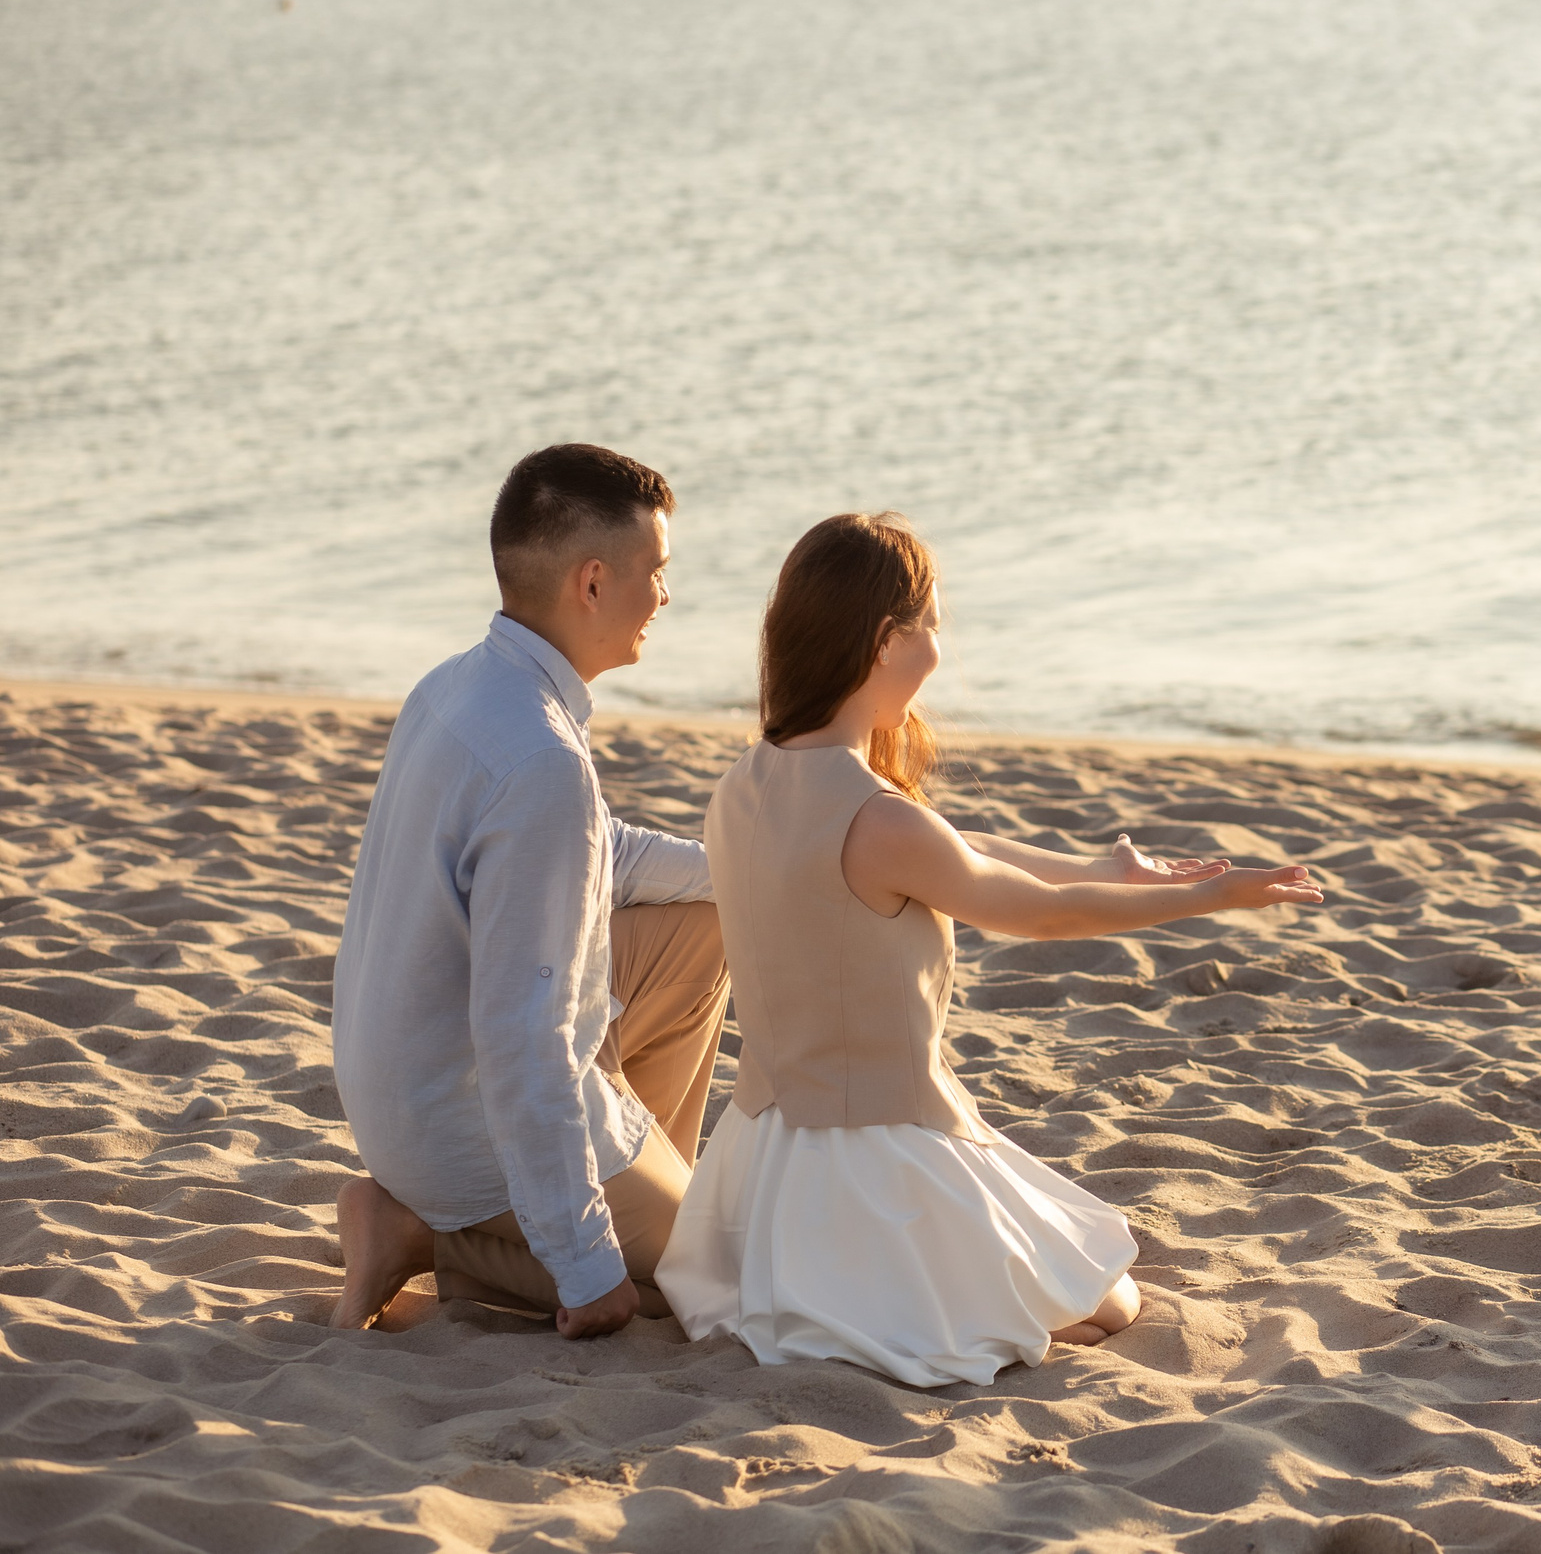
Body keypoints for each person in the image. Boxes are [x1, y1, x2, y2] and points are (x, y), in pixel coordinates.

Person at [654, 512, 1322, 1385]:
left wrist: (1106, 868)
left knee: (1074, 1286)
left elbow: (961, 850)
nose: (938, 645)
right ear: (886, 641)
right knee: (1103, 1305)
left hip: (762, 1162)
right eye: (929, 624)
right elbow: (1035, 912)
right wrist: (1205, 895)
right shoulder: (876, 816)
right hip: (874, 1164)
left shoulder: (746, 784)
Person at [328, 444, 730, 1336]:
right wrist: (586, 1268)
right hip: (456, 1121)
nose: (664, 595)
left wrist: (749, 874)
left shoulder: (461, 684)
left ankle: (642, 1183)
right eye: (655, 572)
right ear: (592, 582)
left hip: (400, 1071)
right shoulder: (541, 757)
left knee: (711, 918)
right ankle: (422, 1235)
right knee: (713, 1283)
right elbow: (521, 1038)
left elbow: (598, 855)